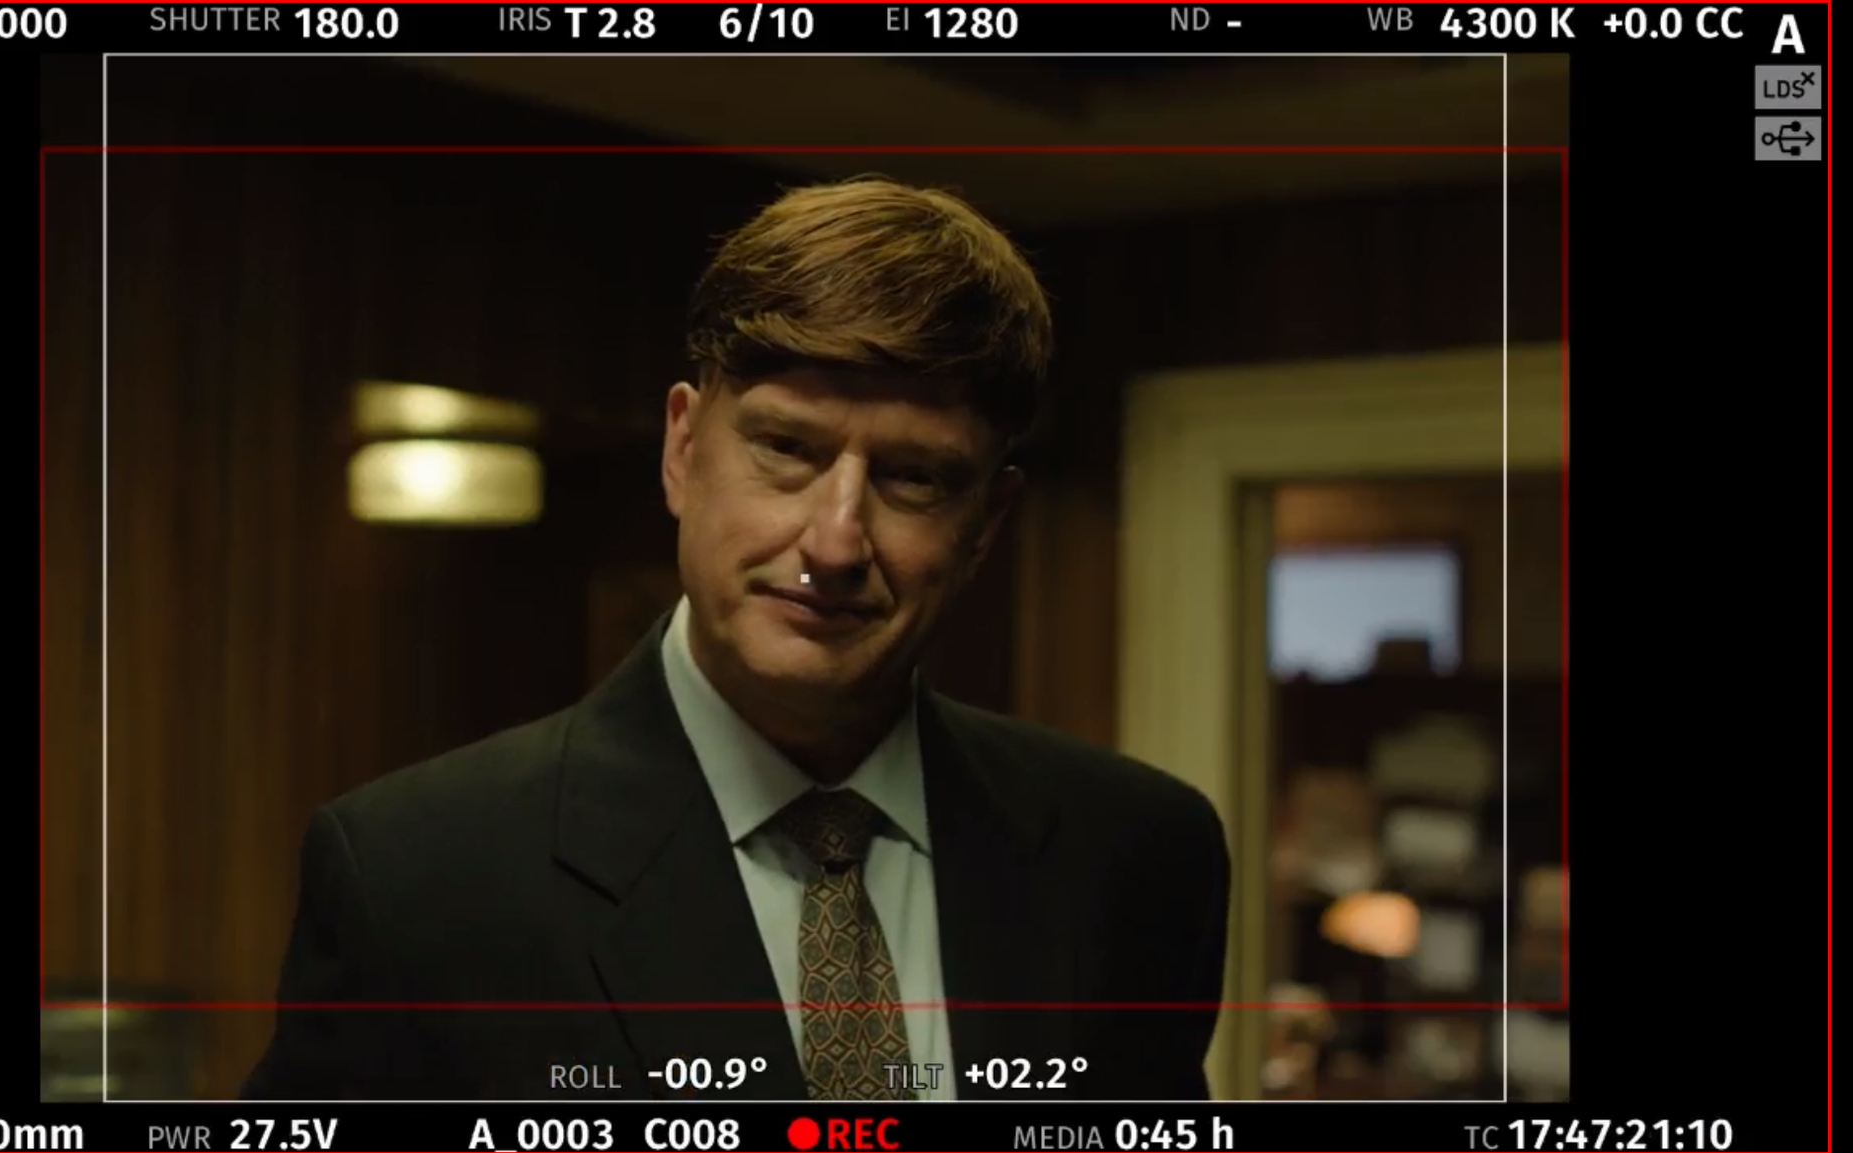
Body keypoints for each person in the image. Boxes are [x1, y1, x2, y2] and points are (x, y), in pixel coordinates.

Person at [243, 178, 1230, 1101]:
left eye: (914, 478)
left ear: (986, 525)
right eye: (786, 449)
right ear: (682, 449)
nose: (834, 542)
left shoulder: (1136, 856)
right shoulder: (417, 878)